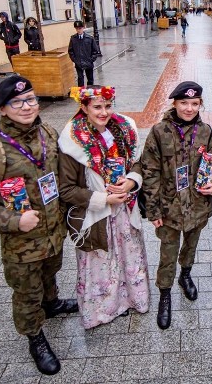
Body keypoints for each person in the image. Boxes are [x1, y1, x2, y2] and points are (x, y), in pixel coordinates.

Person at [0, 75, 76, 375]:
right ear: (2, 109)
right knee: (26, 293)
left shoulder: (47, 131)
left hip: (53, 233)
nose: (27, 107)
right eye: (18, 102)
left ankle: (52, 304)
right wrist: (12, 220)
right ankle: (35, 337)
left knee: (50, 275)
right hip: (21, 244)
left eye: (31, 100)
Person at [58, 85, 150, 329]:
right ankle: (102, 311)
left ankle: (131, 300)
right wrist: (104, 199)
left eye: (108, 106)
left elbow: (138, 164)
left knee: (129, 258)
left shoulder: (124, 129)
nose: (103, 112)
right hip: (95, 216)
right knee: (100, 265)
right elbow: (66, 190)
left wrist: (131, 181)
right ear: (84, 107)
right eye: (97, 107)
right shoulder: (72, 140)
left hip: (125, 212)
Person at [140, 81, 212, 330]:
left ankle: (185, 275)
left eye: (194, 103)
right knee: (168, 252)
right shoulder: (159, 131)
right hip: (168, 208)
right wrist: (153, 209)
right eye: (184, 103)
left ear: (200, 105)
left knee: (191, 244)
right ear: (174, 104)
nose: (189, 108)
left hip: (197, 205)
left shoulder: (206, 132)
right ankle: (164, 294)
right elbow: (149, 171)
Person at [68, 20, 101, 87]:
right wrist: (75, 60)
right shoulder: (73, 38)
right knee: (80, 79)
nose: (78, 30)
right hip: (78, 62)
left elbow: (95, 51)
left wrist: (91, 59)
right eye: (77, 29)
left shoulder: (90, 38)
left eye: (80, 28)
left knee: (90, 79)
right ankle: (81, 93)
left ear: (83, 28)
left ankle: (90, 92)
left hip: (88, 62)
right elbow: (70, 51)